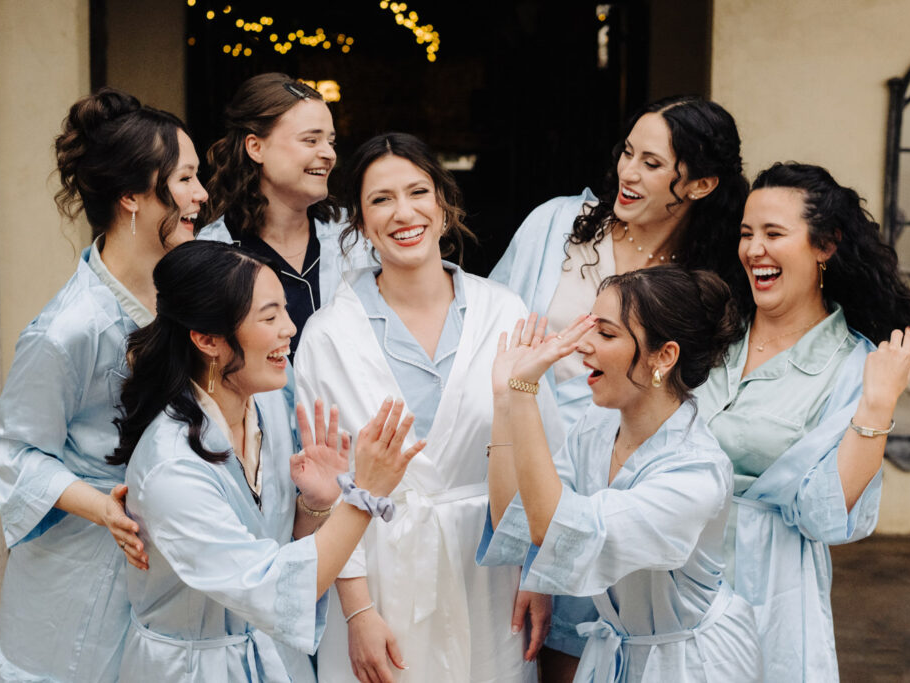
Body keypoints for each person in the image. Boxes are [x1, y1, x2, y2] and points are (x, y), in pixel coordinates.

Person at [294, 133, 563, 683]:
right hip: (379, 576)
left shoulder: (502, 311)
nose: (403, 212)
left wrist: (539, 572)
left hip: (492, 573)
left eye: (418, 191)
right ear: (361, 224)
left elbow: (548, 457)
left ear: (443, 205)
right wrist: (359, 613)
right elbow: (325, 491)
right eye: (381, 200)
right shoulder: (330, 334)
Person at [109, 240, 423, 682]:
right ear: (207, 340)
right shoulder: (171, 468)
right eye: (270, 316)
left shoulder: (270, 405)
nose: (290, 328)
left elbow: (275, 544)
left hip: (274, 658)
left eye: (284, 312)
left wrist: (313, 506)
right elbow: (274, 588)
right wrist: (362, 495)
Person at [0, 88, 208, 681]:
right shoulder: (66, 330)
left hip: (177, 568)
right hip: (83, 575)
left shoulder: (192, 289)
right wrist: (105, 511)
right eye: (185, 179)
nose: (201, 195)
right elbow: (15, 453)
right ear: (133, 195)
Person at [694, 162, 910, 683]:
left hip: (767, 594)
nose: (754, 249)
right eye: (747, 233)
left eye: (774, 233)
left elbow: (826, 517)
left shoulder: (854, 366)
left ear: (825, 246)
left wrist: (877, 406)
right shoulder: (711, 333)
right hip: (668, 579)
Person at [480, 266, 762, 682]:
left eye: (606, 335)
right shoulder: (595, 428)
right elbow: (514, 517)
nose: (583, 346)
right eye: (590, 328)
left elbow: (554, 528)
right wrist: (506, 399)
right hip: (619, 652)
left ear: (663, 356)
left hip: (693, 662)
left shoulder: (695, 472)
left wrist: (527, 393)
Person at [490, 95, 748, 432]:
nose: (628, 172)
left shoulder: (707, 282)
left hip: (620, 463)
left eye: (651, 164)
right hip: (515, 437)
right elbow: (488, 324)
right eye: (628, 153)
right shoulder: (554, 225)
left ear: (701, 185)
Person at [199, 72, 371, 356]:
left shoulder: (356, 235)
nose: (328, 153)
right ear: (256, 147)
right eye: (311, 140)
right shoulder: (213, 253)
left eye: (331, 141)